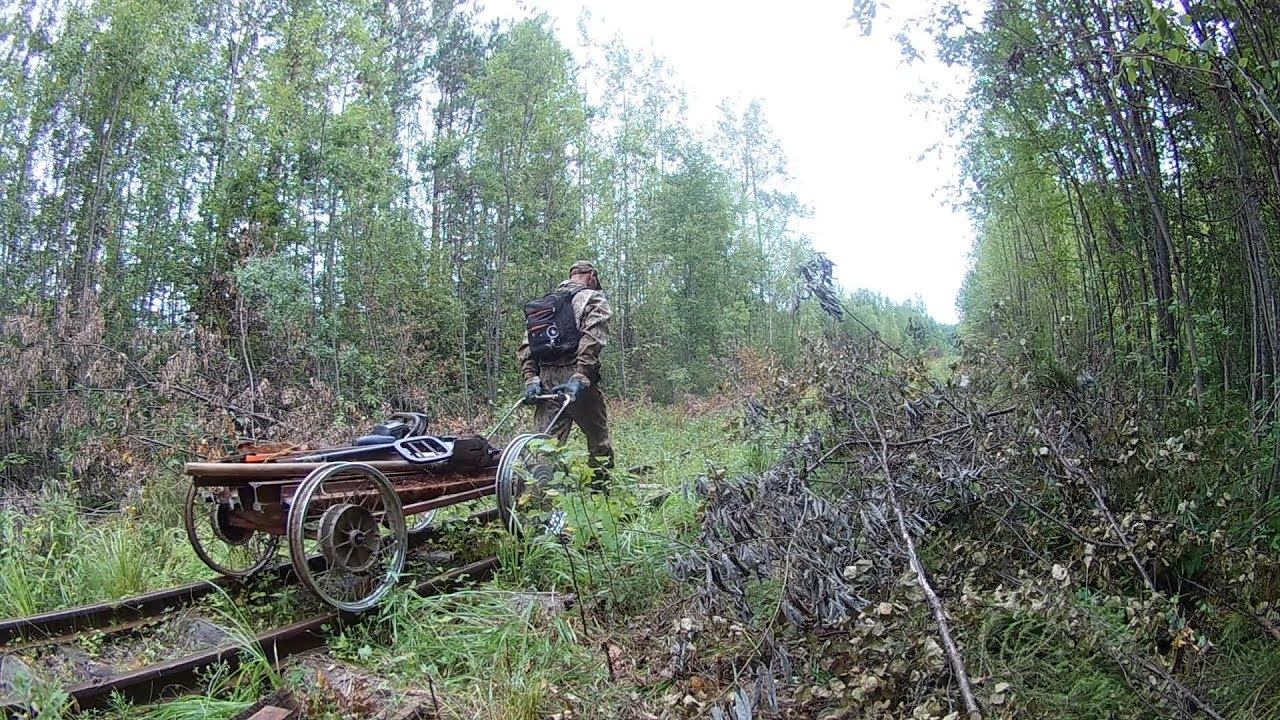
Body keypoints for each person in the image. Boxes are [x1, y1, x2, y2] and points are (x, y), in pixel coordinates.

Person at [517, 260, 615, 480]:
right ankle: (602, 490)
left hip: (545, 379)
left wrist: (531, 378)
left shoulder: (545, 304)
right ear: (591, 275)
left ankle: (539, 497)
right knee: (598, 438)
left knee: (546, 444)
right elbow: (593, 338)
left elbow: (526, 346)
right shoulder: (592, 297)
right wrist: (581, 375)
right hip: (574, 376)